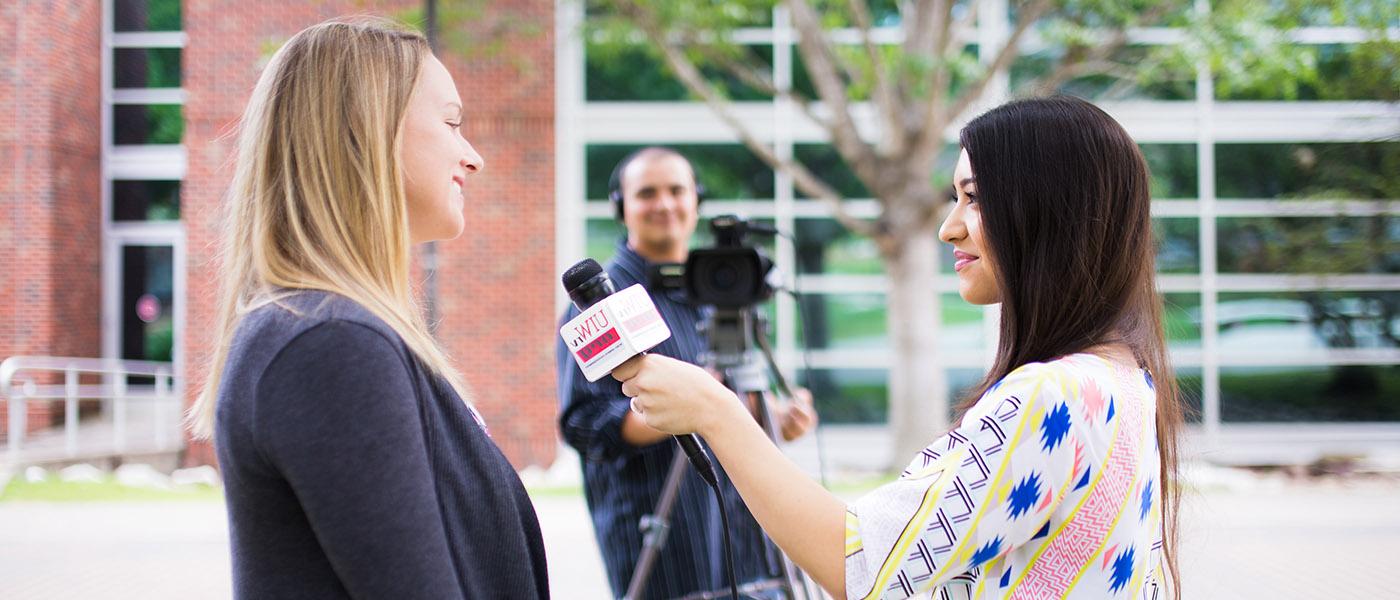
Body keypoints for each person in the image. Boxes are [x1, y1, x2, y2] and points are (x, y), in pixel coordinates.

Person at [613, 97, 1186, 600]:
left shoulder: (1053, 393)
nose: (949, 228)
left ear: (1046, 211)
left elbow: (861, 567)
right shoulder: (1126, 379)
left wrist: (717, 414)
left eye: (974, 199)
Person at [185, 18, 548, 599]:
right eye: (451, 123)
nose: (472, 156)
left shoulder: (326, 331)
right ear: (366, 131)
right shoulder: (328, 344)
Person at [556, 147, 818, 599]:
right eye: (647, 193)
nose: (664, 204)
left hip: (753, 548)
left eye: (676, 190)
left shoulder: (719, 289)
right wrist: (687, 405)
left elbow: (725, 401)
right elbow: (585, 427)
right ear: (622, 207)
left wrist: (773, 414)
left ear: (695, 200)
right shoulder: (598, 309)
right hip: (668, 552)